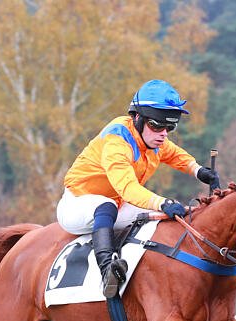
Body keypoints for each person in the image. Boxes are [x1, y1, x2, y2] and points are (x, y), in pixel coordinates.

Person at [56, 79, 220, 298]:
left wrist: (198, 170)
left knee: (169, 216)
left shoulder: (151, 138)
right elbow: (127, 188)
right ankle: (107, 271)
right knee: (108, 205)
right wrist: (161, 201)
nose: (163, 133)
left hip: (117, 205)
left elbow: (174, 154)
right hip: (78, 203)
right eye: (157, 126)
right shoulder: (117, 141)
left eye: (169, 127)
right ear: (137, 119)